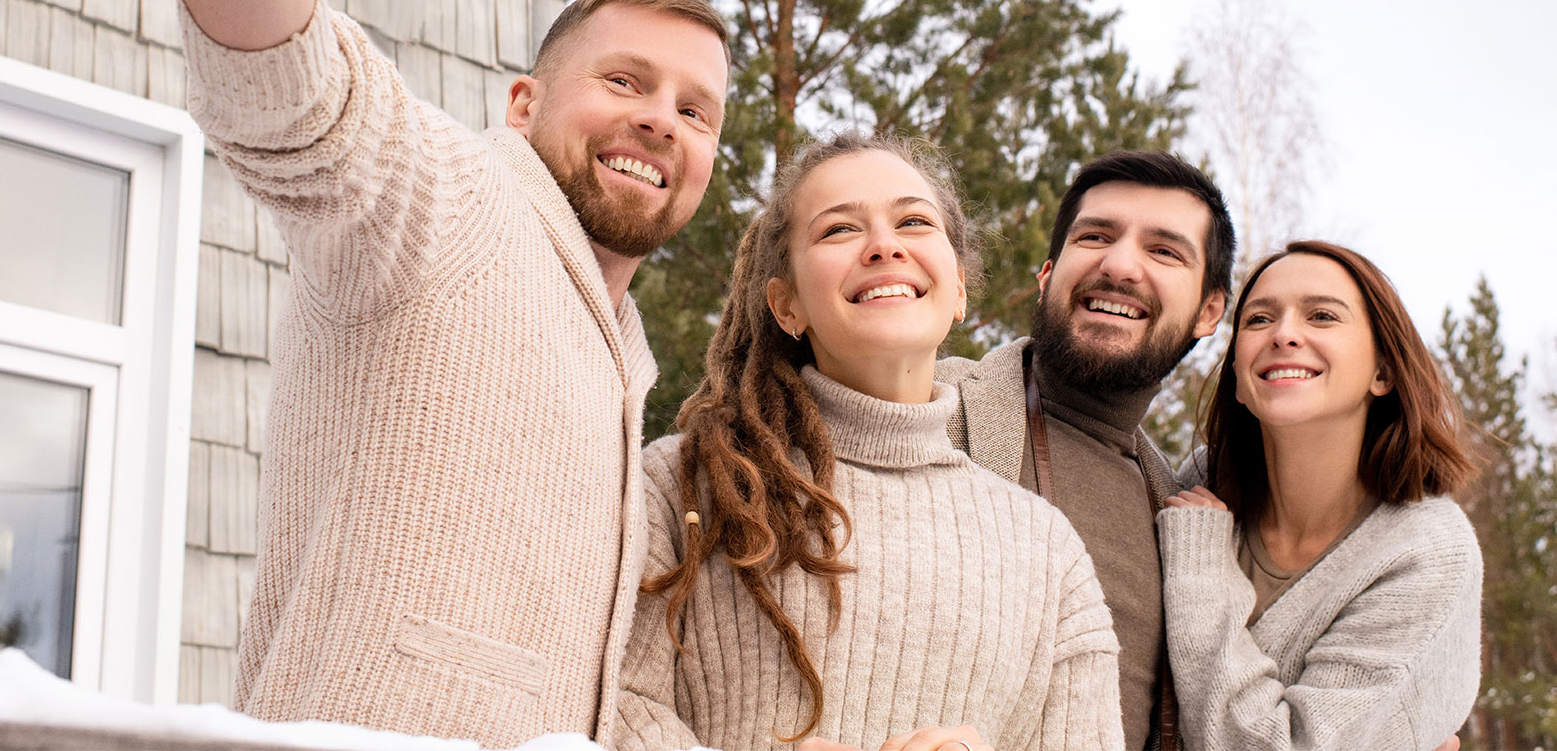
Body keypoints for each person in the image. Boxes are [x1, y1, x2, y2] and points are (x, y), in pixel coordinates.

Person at [173, 0, 732, 743]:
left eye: (696, 110)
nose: (663, 120)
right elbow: (291, 95)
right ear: (522, 105)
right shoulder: (454, 203)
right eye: (624, 82)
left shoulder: (625, 356)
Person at [617, 133, 1124, 751]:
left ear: (959, 288)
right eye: (838, 231)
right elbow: (612, 705)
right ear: (787, 305)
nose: (885, 246)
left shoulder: (1050, 552)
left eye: (913, 221)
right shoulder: (678, 486)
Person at [939, 150, 1234, 751]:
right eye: (1096, 236)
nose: (1121, 265)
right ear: (1048, 275)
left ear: (1209, 311)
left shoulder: (1185, 525)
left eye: (1164, 251)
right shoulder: (926, 409)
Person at [1158, 241, 1482, 750]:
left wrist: (1202, 576)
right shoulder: (1199, 485)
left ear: (1383, 372)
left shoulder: (1428, 550)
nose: (1285, 334)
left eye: (1322, 316)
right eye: (1259, 319)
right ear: (1240, 381)